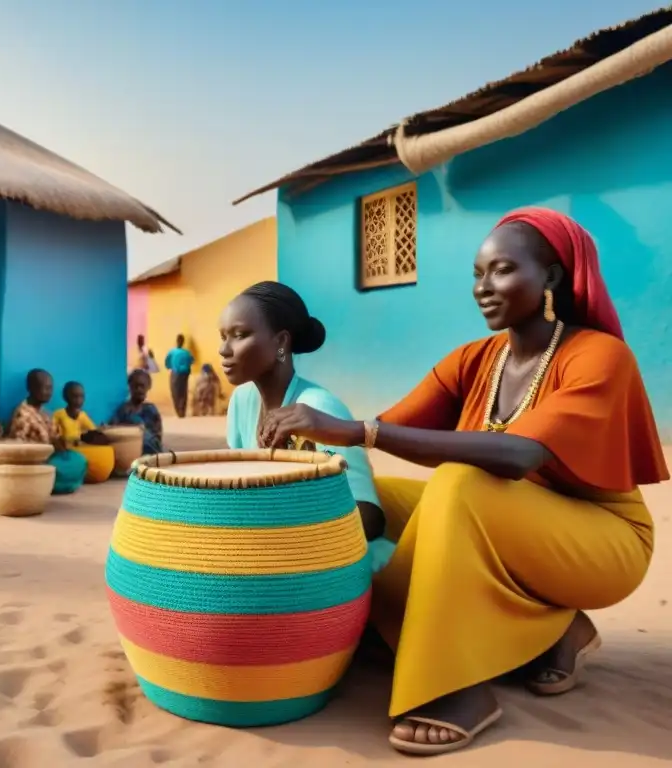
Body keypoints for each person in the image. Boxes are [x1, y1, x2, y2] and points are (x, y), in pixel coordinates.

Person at [258, 208, 668, 756]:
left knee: (458, 485)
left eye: (501, 271)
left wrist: (357, 429)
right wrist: (314, 434)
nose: (482, 287)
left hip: (603, 541)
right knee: (366, 495)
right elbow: (389, 427)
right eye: (477, 273)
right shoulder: (476, 359)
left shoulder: (598, 355)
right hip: (509, 523)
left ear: (549, 277)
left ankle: (455, 687)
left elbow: (520, 455)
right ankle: (553, 630)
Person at [220, 281, 392, 556]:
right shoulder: (242, 401)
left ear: (280, 342)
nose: (224, 350)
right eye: (223, 336)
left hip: (341, 569)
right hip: (277, 557)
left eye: (239, 335)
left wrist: (280, 536)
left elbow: (369, 519)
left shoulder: (319, 408)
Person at [8, 368, 88, 494]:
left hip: (50, 458)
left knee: (79, 460)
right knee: (64, 468)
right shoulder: (22, 415)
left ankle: (53, 483)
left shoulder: (44, 413)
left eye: (50, 388)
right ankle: (43, 484)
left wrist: (62, 444)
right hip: (33, 464)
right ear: (31, 389)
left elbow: (55, 437)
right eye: (45, 388)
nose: (49, 392)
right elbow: (20, 451)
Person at [109, 369, 164, 455]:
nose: (139, 390)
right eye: (135, 386)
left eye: (142, 386)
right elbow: (113, 431)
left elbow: (158, 437)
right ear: (130, 387)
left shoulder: (151, 410)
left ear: (148, 387)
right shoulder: (124, 410)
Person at [53, 381, 97, 447]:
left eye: (82, 396)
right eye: (75, 396)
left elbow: (93, 430)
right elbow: (52, 433)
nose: (79, 400)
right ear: (65, 397)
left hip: (78, 446)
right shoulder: (59, 414)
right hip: (62, 447)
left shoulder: (83, 415)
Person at [164, 334, 194, 418]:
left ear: (176, 341)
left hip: (176, 373)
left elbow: (167, 362)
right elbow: (192, 360)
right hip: (185, 373)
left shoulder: (172, 352)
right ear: (183, 342)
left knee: (175, 391)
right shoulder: (187, 352)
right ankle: (182, 410)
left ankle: (178, 411)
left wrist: (170, 366)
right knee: (183, 392)